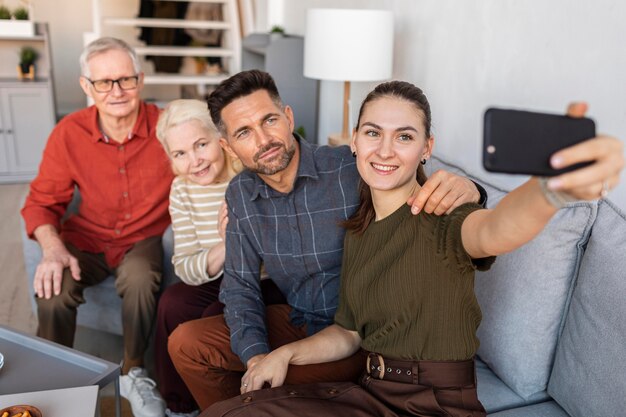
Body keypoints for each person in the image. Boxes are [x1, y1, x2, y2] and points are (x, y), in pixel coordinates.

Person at [213, 81, 624, 416]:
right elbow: (349, 333)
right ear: (354, 141)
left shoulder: (443, 216)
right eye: (373, 133)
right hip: (370, 395)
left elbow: (496, 229)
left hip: (437, 403)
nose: (386, 150)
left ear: (426, 148)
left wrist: (550, 191)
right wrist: (282, 356)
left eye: (404, 137)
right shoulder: (357, 232)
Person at [168, 70, 486, 410]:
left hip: (356, 338)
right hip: (299, 322)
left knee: (267, 389)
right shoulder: (241, 194)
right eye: (245, 132)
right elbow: (240, 288)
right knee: (186, 344)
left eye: (269, 120)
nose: (263, 139)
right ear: (228, 146)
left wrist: (474, 191)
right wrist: (257, 357)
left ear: (288, 118)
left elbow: (418, 192)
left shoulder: (350, 168)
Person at [21, 37, 171, 417]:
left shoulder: (168, 126)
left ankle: (134, 370)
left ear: (140, 79)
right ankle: (54, 379)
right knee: (53, 289)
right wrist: (52, 249)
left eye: (125, 79)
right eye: (104, 82)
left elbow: (208, 161)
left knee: (141, 277)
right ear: (87, 86)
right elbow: (41, 202)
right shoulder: (69, 132)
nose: (117, 91)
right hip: (87, 237)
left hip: (143, 238)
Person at [153, 99, 285, 417]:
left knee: (217, 314)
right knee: (172, 303)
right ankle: (180, 405)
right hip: (217, 275)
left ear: (221, 141)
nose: (194, 161)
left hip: (266, 278)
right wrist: (225, 246)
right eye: (180, 154)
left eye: (201, 144)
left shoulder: (251, 174)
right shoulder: (182, 190)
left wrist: (240, 240)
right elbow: (185, 265)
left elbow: (278, 248)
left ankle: (234, 404)